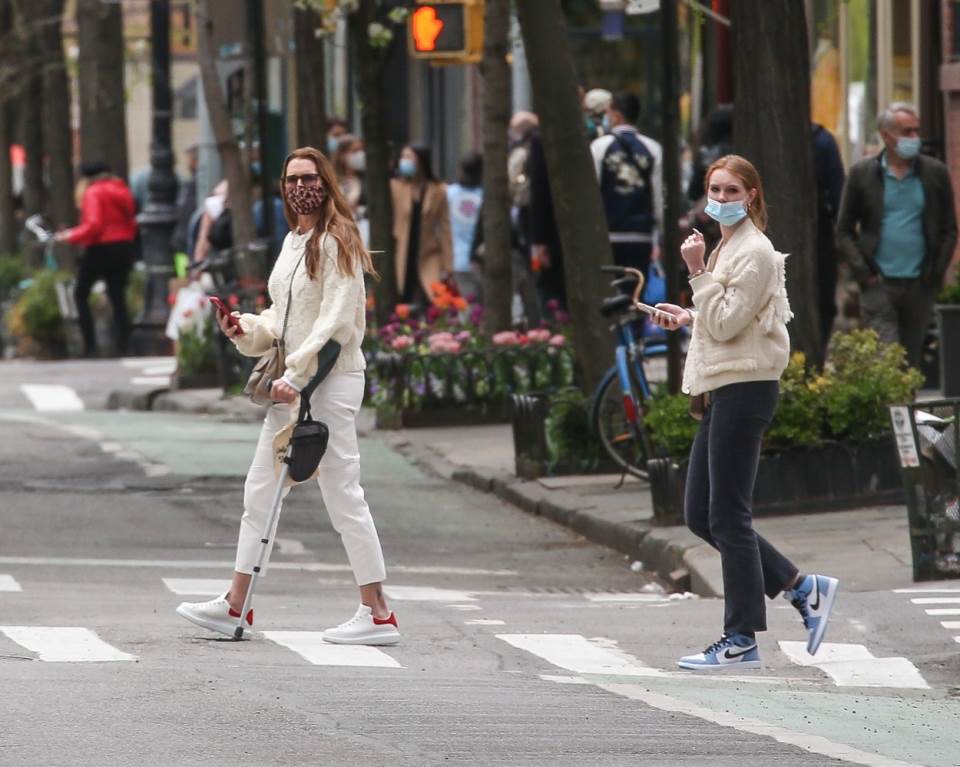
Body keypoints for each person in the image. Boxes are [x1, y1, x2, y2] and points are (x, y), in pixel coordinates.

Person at [176, 146, 400, 646]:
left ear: (327, 183)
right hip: (293, 386)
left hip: (328, 382)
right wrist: (244, 328)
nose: (301, 187)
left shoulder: (336, 240)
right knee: (261, 492)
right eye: (292, 178)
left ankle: (378, 612)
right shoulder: (295, 240)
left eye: (310, 177)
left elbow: (337, 323)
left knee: (342, 493)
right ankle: (237, 604)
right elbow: (284, 317)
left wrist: (297, 376)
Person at [652, 155, 839, 671]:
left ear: (752, 196)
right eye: (715, 189)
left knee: (729, 516)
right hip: (723, 387)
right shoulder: (728, 245)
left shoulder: (754, 250)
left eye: (733, 191)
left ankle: (740, 638)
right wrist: (688, 314)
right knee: (700, 513)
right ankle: (804, 588)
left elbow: (731, 323)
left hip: (746, 388)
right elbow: (724, 317)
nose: (722, 199)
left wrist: (695, 274)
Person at [837, 102, 958, 368]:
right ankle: (891, 410)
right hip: (879, 283)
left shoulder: (934, 173)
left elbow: (949, 229)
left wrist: (934, 273)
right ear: (886, 136)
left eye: (917, 131)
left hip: (919, 284)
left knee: (911, 361)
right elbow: (844, 230)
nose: (915, 138)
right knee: (888, 360)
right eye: (907, 132)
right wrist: (865, 275)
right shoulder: (862, 174)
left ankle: (905, 409)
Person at [56, 161, 138, 357]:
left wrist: (69, 236)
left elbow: (94, 225)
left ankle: (90, 346)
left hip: (101, 248)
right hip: (124, 246)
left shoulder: (94, 192)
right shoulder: (121, 189)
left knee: (80, 293)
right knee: (117, 297)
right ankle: (123, 346)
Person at [590, 92, 663, 283]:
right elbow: (657, 197)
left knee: (610, 290)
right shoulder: (653, 149)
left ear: (616, 114)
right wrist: (658, 231)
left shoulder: (599, 147)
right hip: (640, 234)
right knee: (636, 291)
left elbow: (593, 195)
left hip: (608, 233)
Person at [390, 144, 452, 306]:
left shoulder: (438, 190)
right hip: (401, 252)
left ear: (421, 161)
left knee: (432, 298)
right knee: (403, 298)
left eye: (409, 157)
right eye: (402, 157)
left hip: (428, 252)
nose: (404, 161)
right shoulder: (395, 187)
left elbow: (445, 228)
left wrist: (448, 264)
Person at [811, 123, 845, 353]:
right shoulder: (822, 141)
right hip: (819, 235)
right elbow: (838, 195)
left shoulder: (821, 141)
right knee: (823, 304)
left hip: (819, 235)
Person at [446, 152, 483, 302]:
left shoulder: (449, 194)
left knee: (467, 308)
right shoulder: (486, 196)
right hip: (481, 261)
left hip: (456, 259)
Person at [332, 134, 365, 216]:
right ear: (342, 155)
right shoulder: (333, 180)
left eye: (362, 150)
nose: (360, 155)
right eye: (354, 151)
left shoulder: (366, 180)